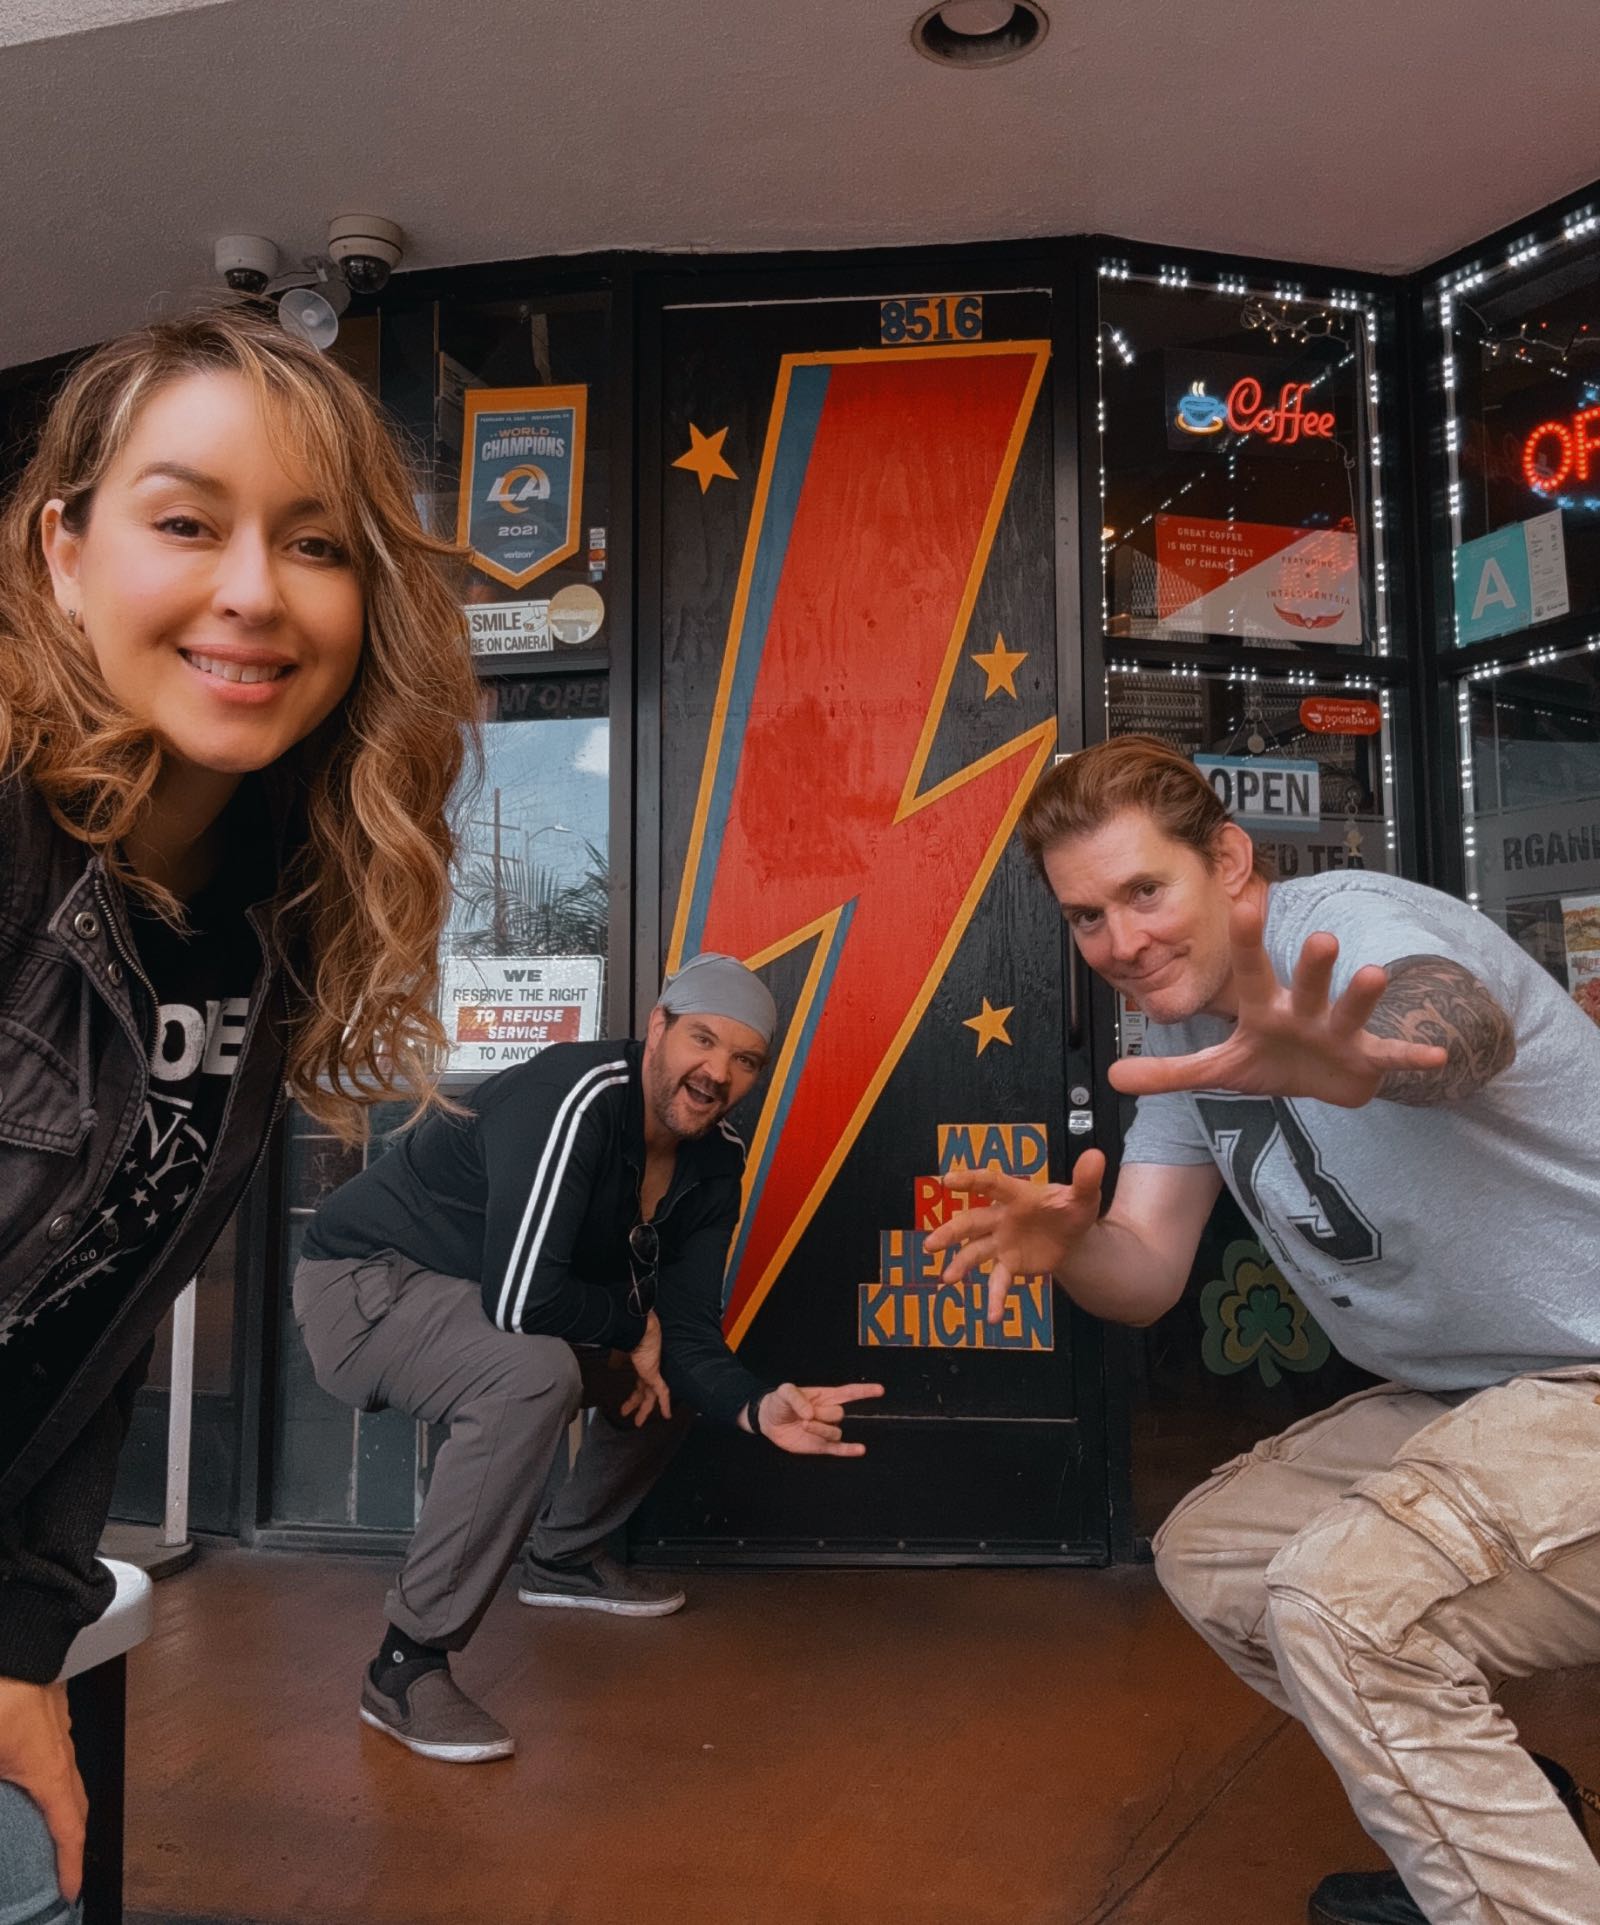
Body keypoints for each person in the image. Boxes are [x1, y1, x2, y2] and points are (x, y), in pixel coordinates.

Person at [929, 734, 1600, 1925]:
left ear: (1228, 861)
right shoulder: (1178, 1040)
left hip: (1584, 1380)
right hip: (1478, 1399)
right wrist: (1071, 1249)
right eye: (1087, 917)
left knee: (1342, 1604)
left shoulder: (1337, 927)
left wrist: (1373, 1055)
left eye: (1145, 890)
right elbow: (1144, 1272)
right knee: (1218, 1555)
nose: (1120, 941)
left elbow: (1454, 1019)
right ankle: (1501, 1825)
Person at [0, 306, 479, 1919]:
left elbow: (89, 1321)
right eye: (187, 522)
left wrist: (23, 1632)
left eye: (317, 543)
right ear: (66, 552)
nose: (256, 591)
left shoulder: (264, 913)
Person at [294, 951, 884, 1763]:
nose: (717, 1073)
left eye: (745, 1059)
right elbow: (522, 1301)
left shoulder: (715, 1158)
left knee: (668, 1372)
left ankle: (564, 1555)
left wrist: (755, 1404)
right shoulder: (577, 1096)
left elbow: (687, 1333)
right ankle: (404, 1664)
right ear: (657, 1027)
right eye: (702, 1039)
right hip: (367, 1286)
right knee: (534, 1373)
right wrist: (633, 1323)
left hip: (477, 1297)